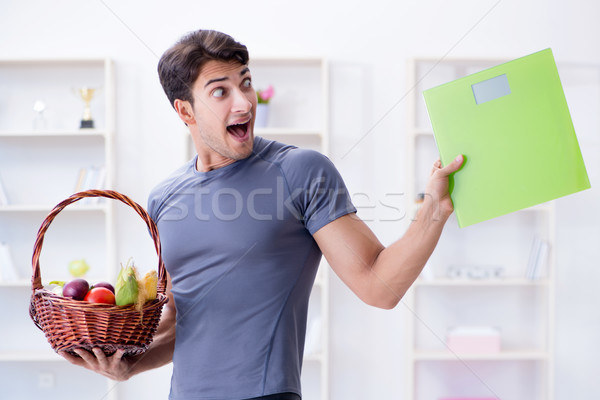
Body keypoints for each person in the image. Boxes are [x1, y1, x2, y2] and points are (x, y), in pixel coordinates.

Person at [60, 29, 463, 400]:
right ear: (186, 112)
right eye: (221, 92)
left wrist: (434, 209)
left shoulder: (301, 171)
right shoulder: (164, 198)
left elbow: (378, 286)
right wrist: (128, 365)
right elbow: (180, 321)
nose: (244, 102)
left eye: (246, 82)